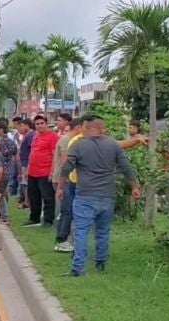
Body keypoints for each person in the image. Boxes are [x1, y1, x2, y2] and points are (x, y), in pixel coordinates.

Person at [58, 118, 141, 276]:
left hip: (85, 194)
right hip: (106, 195)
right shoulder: (112, 145)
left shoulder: (78, 145)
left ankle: (78, 268)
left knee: (81, 231)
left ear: (88, 128)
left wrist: (61, 187)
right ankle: (100, 262)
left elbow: (67, 167)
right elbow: (125, 166)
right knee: (103, 231)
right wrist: (134, 186)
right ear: (102, 129)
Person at [53, 117, 84, 252]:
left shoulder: (67, 139)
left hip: (64, 178)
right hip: (65, 179)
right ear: (78, 127)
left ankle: (63, 239)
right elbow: (67, 161)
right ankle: (62, 240)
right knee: (67, 211)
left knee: (67, 211)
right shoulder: (68, 140)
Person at [25, 115, 59, 227]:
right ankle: (34, 218)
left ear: (46, 123)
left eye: (41, 123)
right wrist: (28, 169)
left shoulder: (53, 137)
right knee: (33, 196)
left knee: (47, 197)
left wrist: (52, 171)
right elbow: (32, 153)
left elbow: (55, 155)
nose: (39, 126)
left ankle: (48, 220)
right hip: (33, 171)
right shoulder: (36, 136)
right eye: (37, 124)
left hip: (45, 171)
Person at [0, 120, 17, 225]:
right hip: (8, 171)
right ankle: (1, 213)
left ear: (1, 130)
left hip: (0, 171)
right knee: (3, 192)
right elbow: (16, 157)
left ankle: (5, 216)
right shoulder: (12, 142)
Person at [50, 113, 74, 192]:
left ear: (66, 122)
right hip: (57, 172)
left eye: (59, 120)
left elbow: (64, 158)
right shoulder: (58, 133)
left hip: (62, 176)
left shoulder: (67, 138)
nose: (57, 122)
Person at [16, 118, 35, 209]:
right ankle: (25, 200)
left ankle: (27, 202)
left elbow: (31, 150)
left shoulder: (31, 135)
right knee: (24, 183)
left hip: (27, 162)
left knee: (27, 183)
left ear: (27, 125)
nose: (21, 128)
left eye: (22, 125)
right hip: (24, 162)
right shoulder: (26, 135)